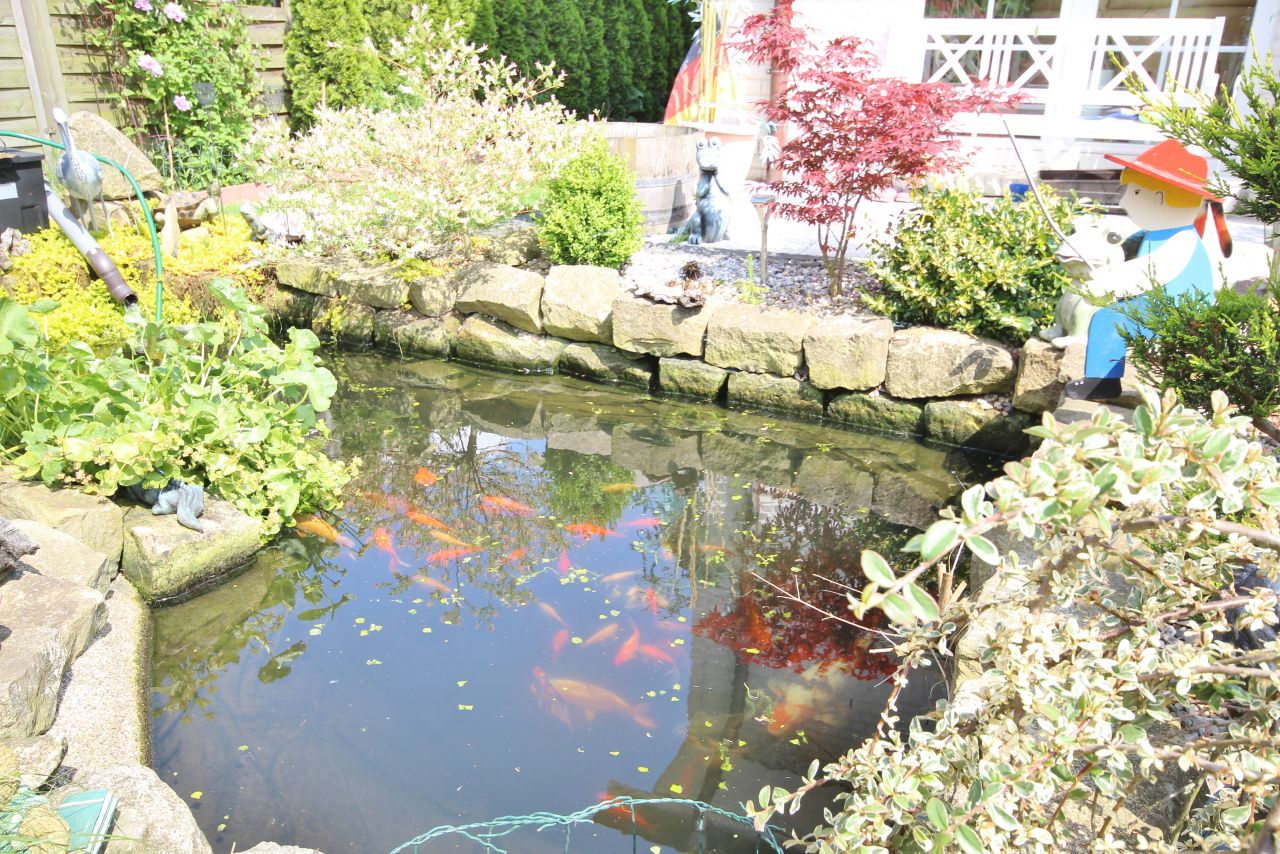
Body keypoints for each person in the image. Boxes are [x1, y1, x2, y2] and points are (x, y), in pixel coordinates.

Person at [1065, 139, 1229, 401]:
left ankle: (1104, 382)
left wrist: (1107, 284)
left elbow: (1148, 273)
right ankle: (1103, 381)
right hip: (1161, 303)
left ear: (1161, 198)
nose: (1125, 200)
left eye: (1136, 192)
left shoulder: (1181, 240)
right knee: (1109, 318)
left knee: (1111, 319)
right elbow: (1128, 253)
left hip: (1179, 309)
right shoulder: (1159, 232)